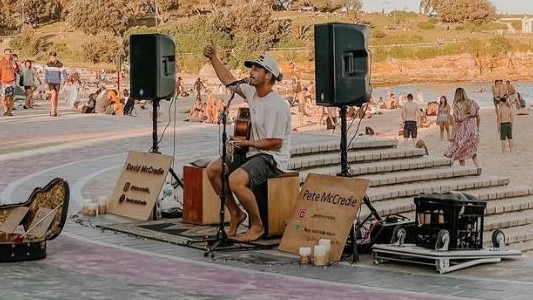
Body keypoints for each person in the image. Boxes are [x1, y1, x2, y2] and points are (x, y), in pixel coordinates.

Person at [203, 43, 291, 242]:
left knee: (236, 180)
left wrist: (247, 143)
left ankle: (257, 225)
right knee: (213, 170)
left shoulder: (276, 105)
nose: (250, 72)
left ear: (268, 75)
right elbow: (228, 80)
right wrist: (213, 58)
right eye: (251, 68)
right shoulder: (252, 92)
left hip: (272, 158)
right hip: (253, 151)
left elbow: (276, 143)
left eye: (256, 69)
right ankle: (235, 213)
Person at [444, 88, 480, 168]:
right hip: (472, 130)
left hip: (462, 130)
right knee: (472, 148)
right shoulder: (472, 103)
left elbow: (456, 122)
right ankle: (478, 166)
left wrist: (452, 135)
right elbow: (478, 117)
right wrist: (477, 128)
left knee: (459, 148)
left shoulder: (457, 105)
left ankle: (461, 168)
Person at [44, 51, 67, 117]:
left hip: (57, 82)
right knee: (53, 95)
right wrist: (45, 82)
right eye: (51, 57)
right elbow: (46, 74)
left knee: (56, 97)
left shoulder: (60, 64)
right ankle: (52, 110)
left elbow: (64, 73)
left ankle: (55, 110)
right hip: (50, 82)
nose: (52, 58)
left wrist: (66, 81)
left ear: (55, 57)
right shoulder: (48, 64)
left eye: (53, 57)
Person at [0, 48, 20, 116]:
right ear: (4, 54)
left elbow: (17, 70)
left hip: (12, 82)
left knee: (11, 98)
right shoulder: (1, 62)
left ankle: (9, 111)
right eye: (6, 54)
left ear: (11, 54)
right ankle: (6, 109)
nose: (7, 55)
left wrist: (14, 64)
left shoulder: (13, 62)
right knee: (4, 98)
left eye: (9, 54)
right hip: (4, 82)